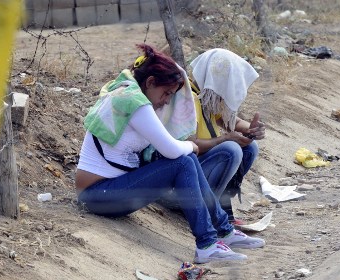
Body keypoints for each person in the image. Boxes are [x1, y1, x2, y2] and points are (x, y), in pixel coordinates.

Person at [75, 44, 264, 264]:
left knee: (187, 159)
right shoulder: (135, 103)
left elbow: (176, 145)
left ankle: (223, 231)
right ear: (150, 82)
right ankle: (207, 244)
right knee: (183, 160)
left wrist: (191, 149)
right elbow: (172, 149)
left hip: (111, 189)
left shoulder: (129, 92)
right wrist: (193, 146)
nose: (166, 100)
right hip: (96, 196)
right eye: (166, 93)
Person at [188, 48, 265, 225]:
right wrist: (224, 139)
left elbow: (231, 121)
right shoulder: (190, 99)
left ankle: (221, 207)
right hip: (182, 184)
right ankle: (208, 210)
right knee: (231, 150)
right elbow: (190, 145)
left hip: (198, 176)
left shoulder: (205, 98)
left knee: (249, 147)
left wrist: (251, 130)